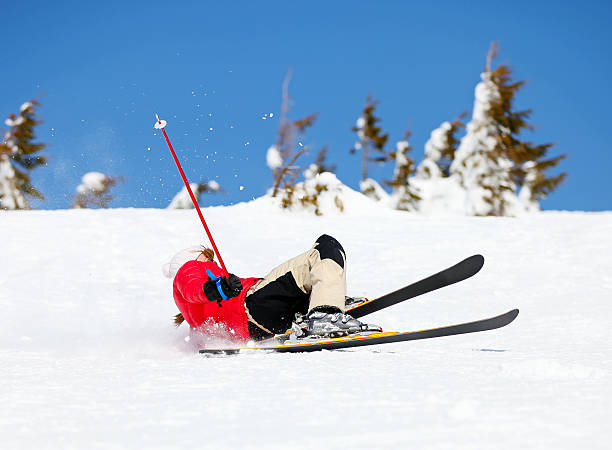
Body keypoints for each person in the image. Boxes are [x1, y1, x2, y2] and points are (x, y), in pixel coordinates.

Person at [169, 234, 379, 342]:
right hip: (253, 309)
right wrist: (218, 289)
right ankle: (325, 311)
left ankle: (317, 304)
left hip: (257, 327)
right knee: (326, 247)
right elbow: (192, 287)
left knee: (288, 283)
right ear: (192, 258)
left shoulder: (193, 315)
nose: (210, 259)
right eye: (206, 255)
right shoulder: (190, 269)